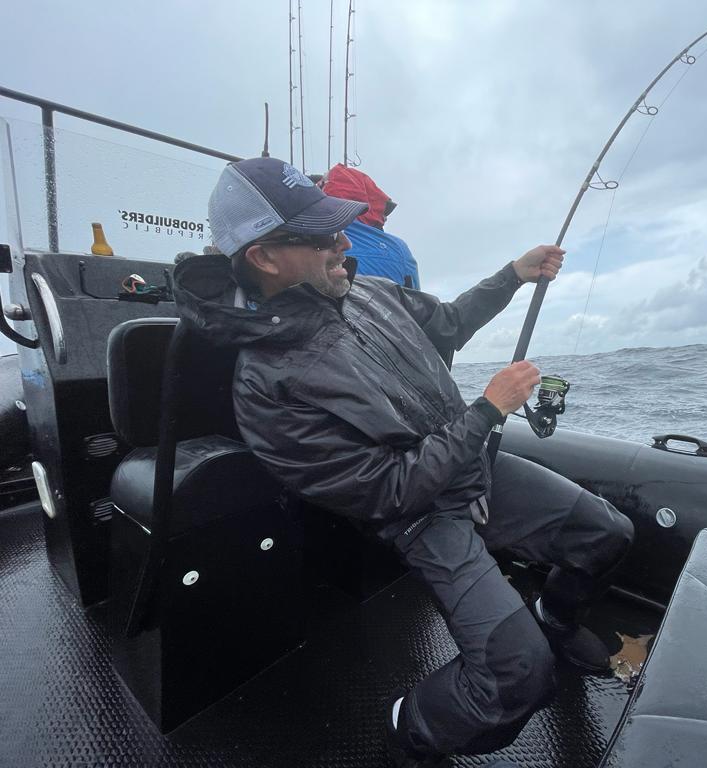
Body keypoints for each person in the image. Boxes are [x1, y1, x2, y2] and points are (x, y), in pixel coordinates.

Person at [172, 158, 634, 768]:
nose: (344, 241)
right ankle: (406, 731)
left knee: (608, 534)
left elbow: (446, 323)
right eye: (321, 234)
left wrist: (513, 275)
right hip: (422, 512)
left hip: (471, 465)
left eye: (341, 225)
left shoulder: (367, 291)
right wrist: (488, 412)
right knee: (517, 676)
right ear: (265, 258)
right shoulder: (267, 387)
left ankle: (554, 614)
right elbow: (391, 491)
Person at [322, 164, 420, 289]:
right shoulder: (399, 248)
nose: (385, 218)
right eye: (383, 210)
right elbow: (417, 303)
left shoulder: (305, 240)